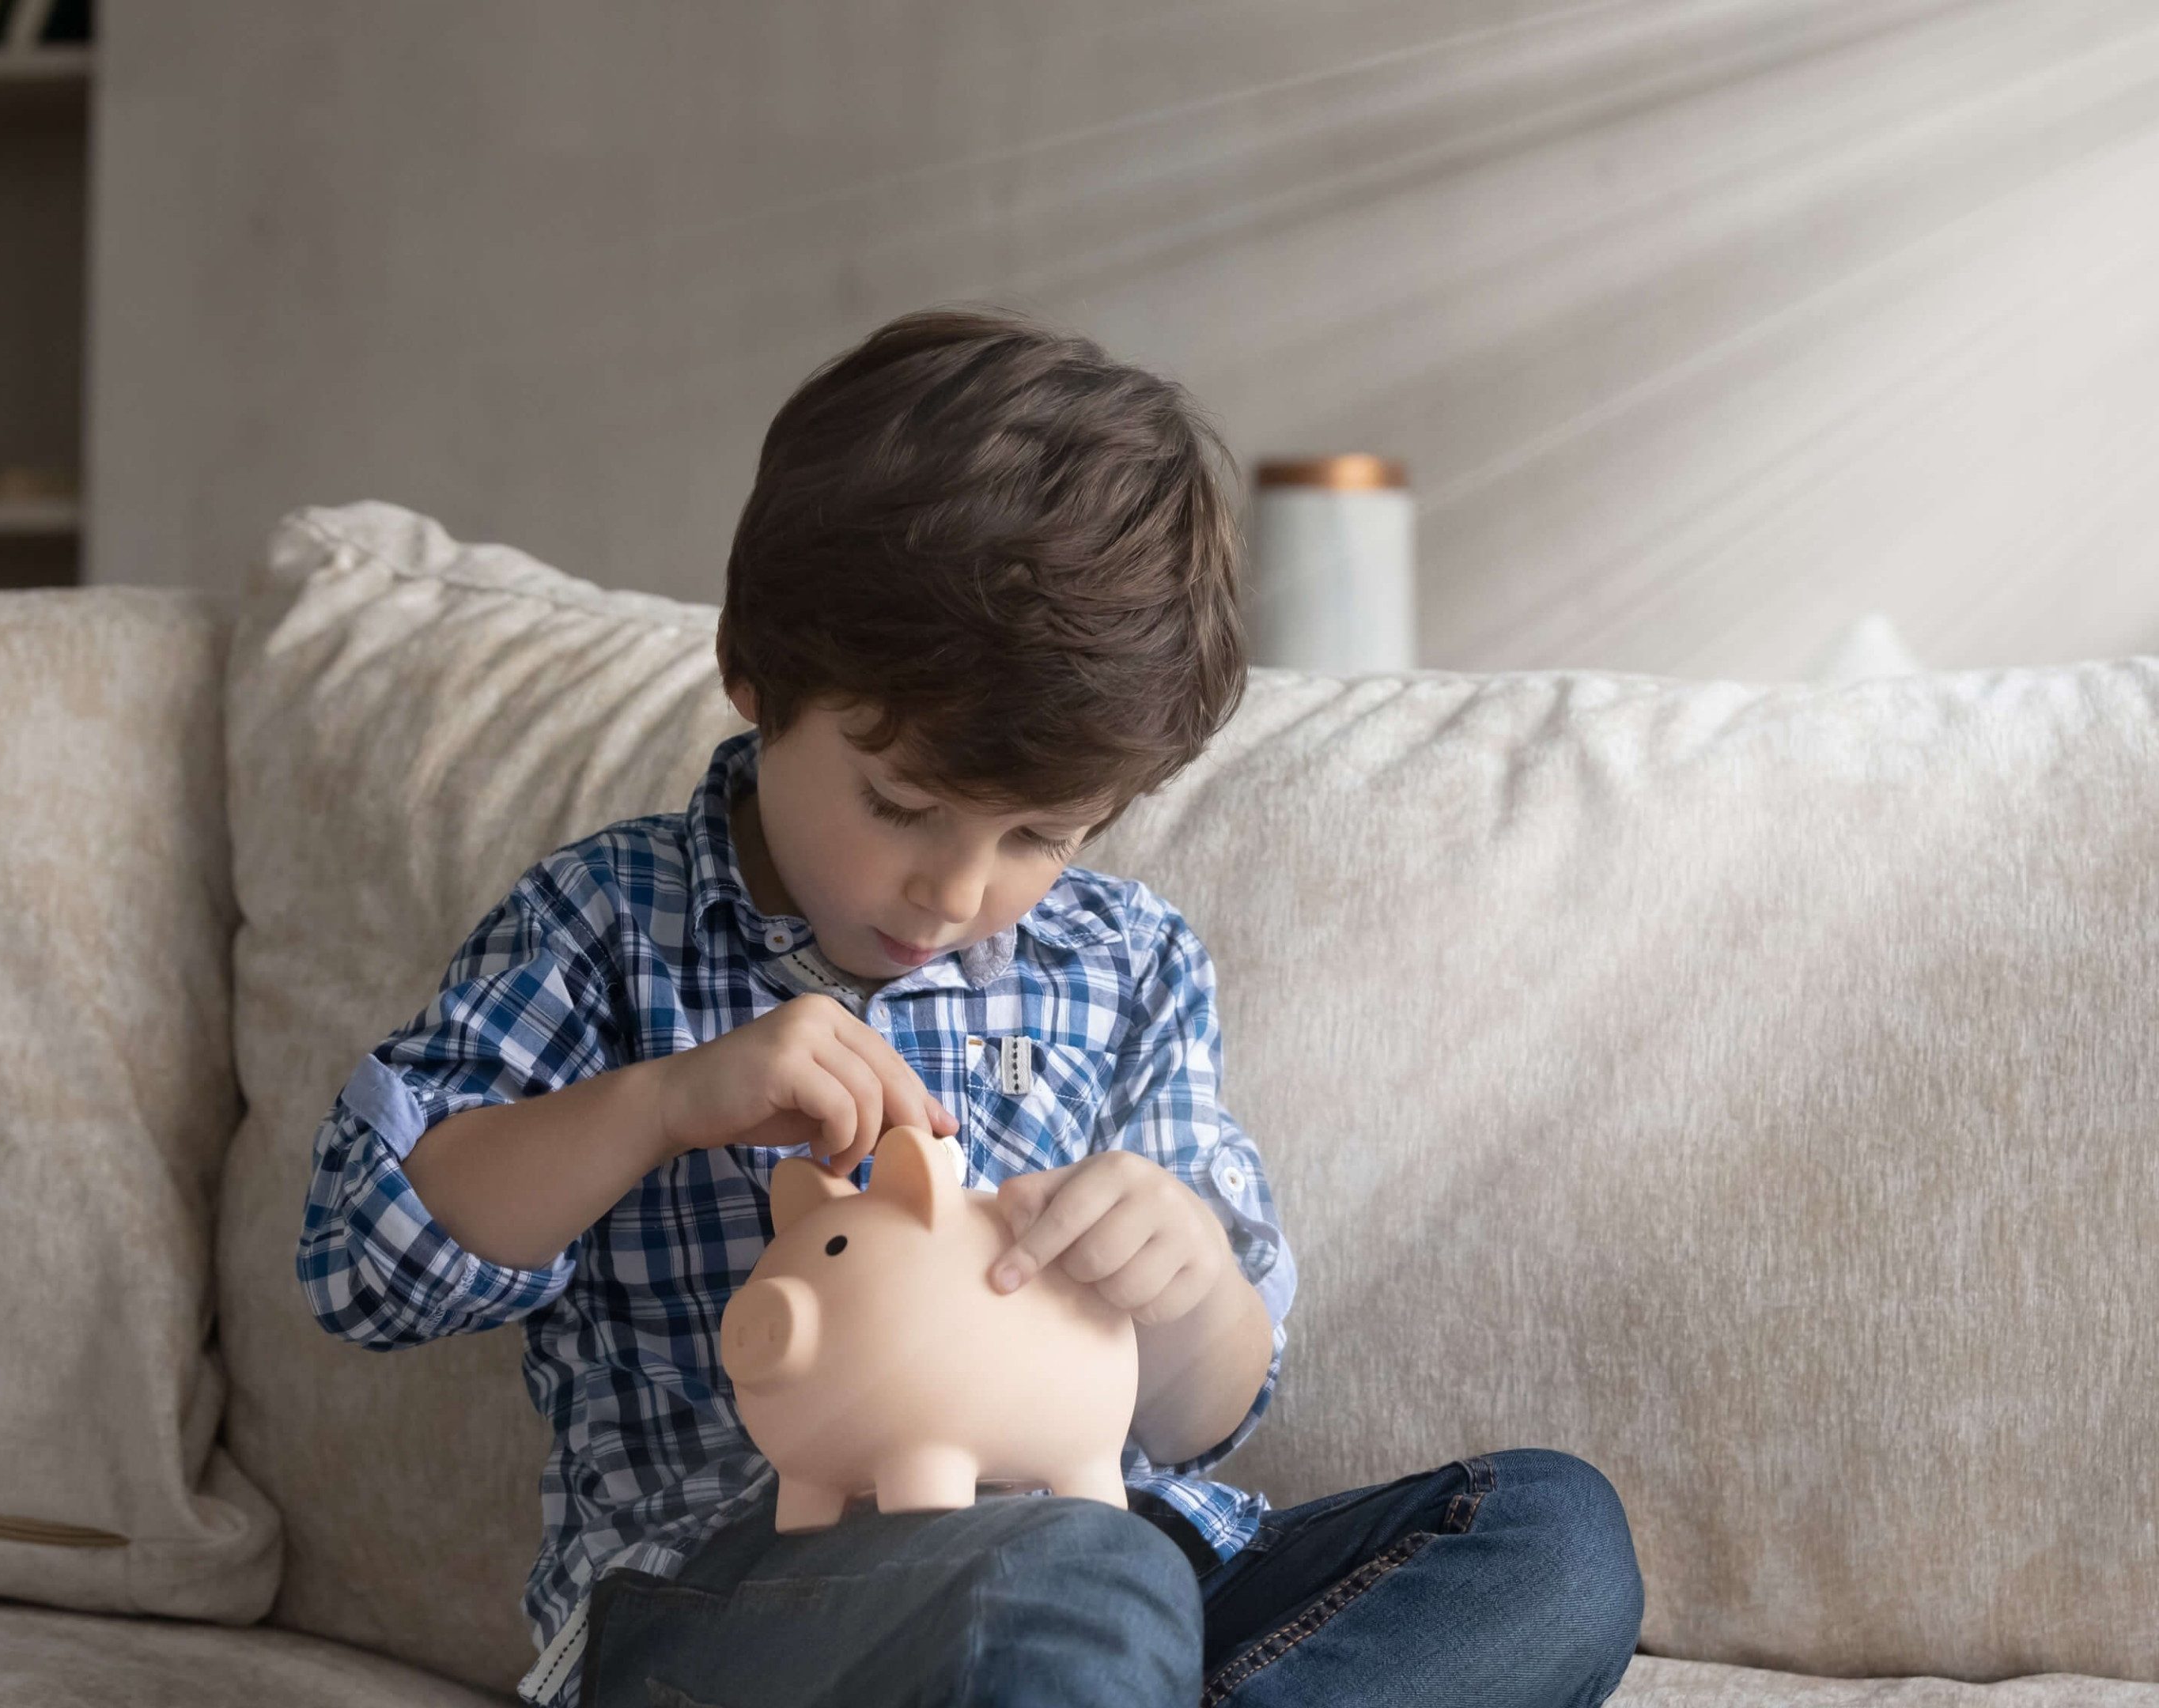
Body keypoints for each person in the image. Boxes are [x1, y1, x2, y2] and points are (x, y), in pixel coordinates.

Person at [297, 304, 1646, 1706]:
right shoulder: (603, 925)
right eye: (904, 806)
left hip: (1118, 1564)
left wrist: (1183, 1281)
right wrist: (661, 1105)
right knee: (1071, 1581)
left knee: (1550, 1536)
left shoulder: (1128, 963)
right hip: (739, 1600)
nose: (952, 890)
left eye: (1038, 838)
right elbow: (365, 1265)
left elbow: (1206, 1420)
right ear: (755, 679)